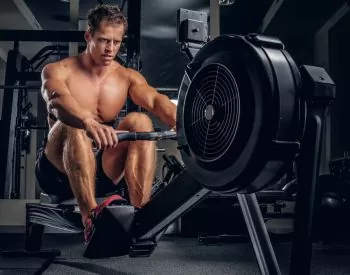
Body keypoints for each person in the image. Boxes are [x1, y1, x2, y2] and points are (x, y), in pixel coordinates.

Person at [35, 4, 177, 243]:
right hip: (57, 170)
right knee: (72, 125)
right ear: (88, 35)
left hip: (101, 170)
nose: (110, 49)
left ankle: (142, 218)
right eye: (103, 40)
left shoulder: (125, 77)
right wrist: (87, 121)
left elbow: (155, 100)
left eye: (116, 41)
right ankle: (91, 220)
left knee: (140, 121)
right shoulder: (58, 70)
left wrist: (182, 122)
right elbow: (56, 101)